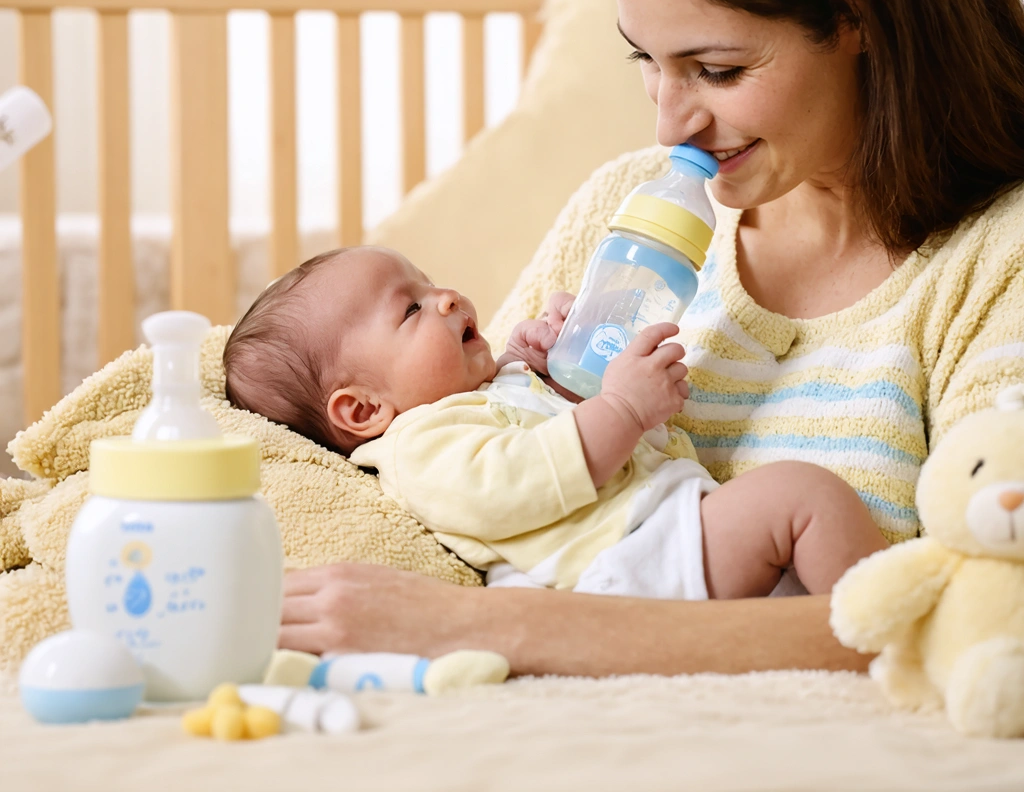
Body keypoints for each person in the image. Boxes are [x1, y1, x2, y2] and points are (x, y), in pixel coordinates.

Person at [274, 0, 1024, 676]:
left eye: (716, 69)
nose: (671, 123)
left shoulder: (994, 260)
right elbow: (474, 452)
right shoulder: (624, 202)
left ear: (855, 12)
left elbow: (971, 610)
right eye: (648, 61)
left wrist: (497, 629)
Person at [224, 246, 887, 602]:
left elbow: (533, 418)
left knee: (798, 532)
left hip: (652, 537)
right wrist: (621, 408)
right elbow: (515, 481)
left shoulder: (481, 396)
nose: (446, 296)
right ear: (364, 411)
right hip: (611, 572)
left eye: (428, 281)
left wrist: (545, 361)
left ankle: (840, 615)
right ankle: (894, 624)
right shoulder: (418, 448)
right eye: (410, 309)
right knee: (803, 499)